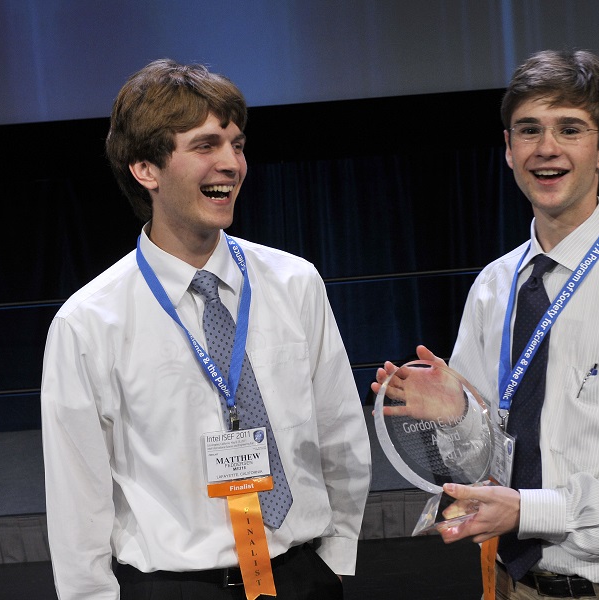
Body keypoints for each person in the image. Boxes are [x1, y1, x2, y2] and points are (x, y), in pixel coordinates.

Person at [374, 49, 599, 599]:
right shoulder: (493, 288)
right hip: (510, 586)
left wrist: (531, 511)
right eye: (529, 130)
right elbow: (482, 465)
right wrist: (458, 417)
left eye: (570, 129)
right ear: (509, 149)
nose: (546, 148)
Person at [41, 59, 371, 600]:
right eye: (206, 146)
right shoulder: (89, 322)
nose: (232, 164)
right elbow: (78, 496)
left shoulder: (295, 282)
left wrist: (333, 560)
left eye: (237, 145)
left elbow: (339, 434)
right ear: (146, 168)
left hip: (301, 576)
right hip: (174, 586)